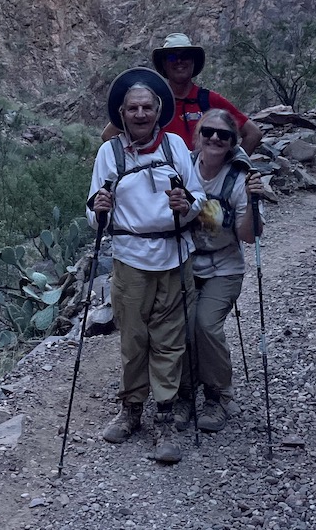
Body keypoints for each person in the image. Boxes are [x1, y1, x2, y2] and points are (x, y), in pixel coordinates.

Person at [87, 67, 206, 465]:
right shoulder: (110, 153)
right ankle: (131, 410)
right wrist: (98, 209)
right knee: (133, 338)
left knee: (170, 339)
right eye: (133, 108)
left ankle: (166, 419)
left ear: (159, 110)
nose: (140, 114)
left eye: (147, 107)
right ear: (122, 113)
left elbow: (199, 199)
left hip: (174, 255)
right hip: (130, 259)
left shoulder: (175, 148)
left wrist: (186, 207)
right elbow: (94, 211)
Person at [174, 109, 264, 433]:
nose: (214, 138)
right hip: (184, 261)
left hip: (224, 265)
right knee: (179, 326)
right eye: (208, 132)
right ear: (198, 136)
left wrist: (254, 202)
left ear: (231, 143)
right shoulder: (183, 169)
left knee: (205, 325)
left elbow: (249, 236)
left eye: (223, 135)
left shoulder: (239, 179)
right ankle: (185, 393)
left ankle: (217, 395)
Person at [102, 32, 262, 154]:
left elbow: (253, 133)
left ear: (193, 62)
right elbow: (108, 135)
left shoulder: (209, 100)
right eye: (172, 57)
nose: (179, 61)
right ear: (164, 64)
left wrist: (230, 170)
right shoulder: (150, 103)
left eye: (185, 56)